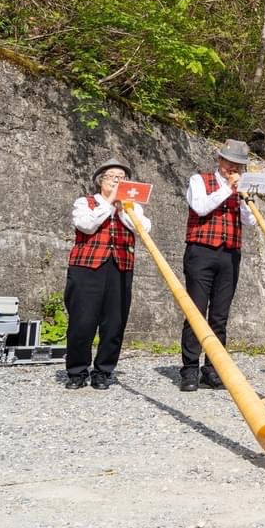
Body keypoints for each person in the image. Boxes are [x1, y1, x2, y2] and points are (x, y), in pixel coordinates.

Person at [64, 158, 150, 390]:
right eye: (113, 176)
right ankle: (77, 371)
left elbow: (144, 229)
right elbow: (86, 225)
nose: (117, 180)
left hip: (120, 267)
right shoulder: (85, 202)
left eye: (122, 177)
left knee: (114, 322)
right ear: (101, 180)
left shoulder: (132, 207)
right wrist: (110, 202)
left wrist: (123, 209)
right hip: (86, 268)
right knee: (82, 320)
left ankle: (103, 371)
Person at [180, 139, 255, 392]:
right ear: (220, 160)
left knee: (220, 316)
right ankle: (189, 368)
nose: (233, 168)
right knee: (195, 312)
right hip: (201, 251)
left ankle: (213, 369)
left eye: (238, 165)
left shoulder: (241, 187)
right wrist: (228, 189)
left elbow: (251, 220)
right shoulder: (199, 180)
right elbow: (200, 208)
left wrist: (244, 198)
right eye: (229, 162)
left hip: (230, 254)